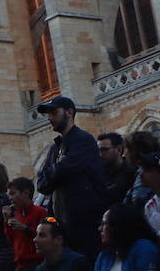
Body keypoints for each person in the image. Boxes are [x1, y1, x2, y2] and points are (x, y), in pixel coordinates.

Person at [35, 95, 107, 260]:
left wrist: (54, 172)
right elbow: (42, 184)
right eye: (48, 114)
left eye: (54, 112)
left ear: (69, 112)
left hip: (85, 223)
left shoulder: (83, 140)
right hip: (64, 224)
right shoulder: (55, 148)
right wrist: (56, 171)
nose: (50, 118)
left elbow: (63, 171)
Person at [3, 177, 43, 271]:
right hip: (20, 265)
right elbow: (11, 240)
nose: (10, 198)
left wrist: (24, 228)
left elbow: (44, 237)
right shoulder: (16, 214)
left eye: (13, 194)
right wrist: (6, 220)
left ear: (25, 193)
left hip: (36, 265)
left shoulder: (40, 212)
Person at [99, 133, 136, 206]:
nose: (100, 154)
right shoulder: (98, 174)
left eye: (104, 150)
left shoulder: (132, 172)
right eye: (98, 150)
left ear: (119, 149)